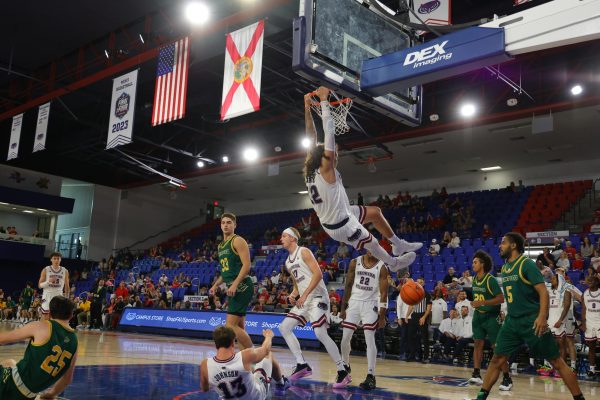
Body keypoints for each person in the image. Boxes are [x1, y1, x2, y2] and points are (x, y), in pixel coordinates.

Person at [303, 87, 420, 274]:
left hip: (341, 213)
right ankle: (393, 263)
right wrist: (324, 101)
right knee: (372, 243)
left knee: (375, 212)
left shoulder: (311, 169)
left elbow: (311, 136)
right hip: (341, 225)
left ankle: (398, 244)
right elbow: (329, 132)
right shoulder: (326, 168)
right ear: (324, 156)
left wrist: (307, 108)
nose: (336, 152)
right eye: (333, 152)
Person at [471, 233, 585, 400]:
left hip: (531, 320)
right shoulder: (505, 267)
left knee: (557, 362)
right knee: (497, 359)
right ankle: (481, 397)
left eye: (503, 243)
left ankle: (579, 398)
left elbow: (543, 292)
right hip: (511, 322)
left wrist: (542, 316)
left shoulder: (526, 264)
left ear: (513, 245)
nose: (500, 246)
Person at [278, 227, 350, 387]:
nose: (281, 239)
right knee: (284, 327)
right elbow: (297, 283)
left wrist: (303, 295)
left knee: (319, 332)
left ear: (293, 238)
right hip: (304, 299)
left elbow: (318, 274)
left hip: (318, 296)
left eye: (284, 236)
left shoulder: (303, 251)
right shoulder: (287, 262)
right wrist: (293, 294)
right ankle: (302, 364)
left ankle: (342, 370)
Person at [0, 296, 78, 399]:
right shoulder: (75, 342)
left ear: (49, 313)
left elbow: (2, 339)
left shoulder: (42, 326)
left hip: (11, 385)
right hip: (29, 395)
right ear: (71, 315)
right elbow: (67, 380)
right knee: (10, 362)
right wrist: (50, 395)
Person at [339, 251, 389, 390]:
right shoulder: (355, 262)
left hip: (370, 305)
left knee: (369, 339)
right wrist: (343, 309)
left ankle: (371, 375)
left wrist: (382, 315)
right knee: (344, 339)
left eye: (375, 247)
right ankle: (345, 365)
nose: (372, 250)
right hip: (354, 303)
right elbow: (348, 285)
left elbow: (384, 293)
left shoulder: (382, 266)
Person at [200, 327, 289, 399]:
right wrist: (269, 336)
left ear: (216, 344)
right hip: (256, 397)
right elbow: (265, 350)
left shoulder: (205, 364)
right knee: (268, 355)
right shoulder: (245, 356)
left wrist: (225, 379)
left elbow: (205, 389)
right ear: (232, 343)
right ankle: (281, 384)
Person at [210, 213, 255, 350]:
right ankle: (247, 363)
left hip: (242, 286)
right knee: (239, 327)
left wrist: (235, 284)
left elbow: (247, 265)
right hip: (234, 287)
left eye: (229, 222)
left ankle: (257, 357)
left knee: (230, 326)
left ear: (235, 225)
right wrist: (215, 285)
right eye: (223, 222)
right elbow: (226, 272)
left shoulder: (238, 240)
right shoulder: (221, 246)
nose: (226, 225)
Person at [468, 250, 511, 390]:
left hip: (491, 317)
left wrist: (482, 303)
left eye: (475, 262)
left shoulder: (490, 279)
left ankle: (507, 378)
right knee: (477, 344)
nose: (472, 264)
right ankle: (476, 373)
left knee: (498, 348)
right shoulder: (474, 278)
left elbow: (501, 298)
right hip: (478, 316)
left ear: (482, 264)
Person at [38, 252, 69, 320]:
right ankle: (42, 330)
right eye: (54, 259)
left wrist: (67, 298)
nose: (56, 260)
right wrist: (48, 282)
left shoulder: (65, 271)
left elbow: (67, 286)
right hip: (47, 295)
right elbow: (39, 285)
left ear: (60, 260)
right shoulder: (46, 269)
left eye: (58, 259)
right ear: (51, 260)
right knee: (45, 317)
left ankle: (53, 330)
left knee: (56, 318)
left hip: (58, 296)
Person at [581, 275, 600, 378]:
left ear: (597, 282)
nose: (589, 281)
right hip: (589, 323)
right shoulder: (585, 293)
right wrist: (583, 324)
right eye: (588, 280)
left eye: (591, 280)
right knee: (591, 347)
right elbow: (583, 309)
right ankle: (592, 370)